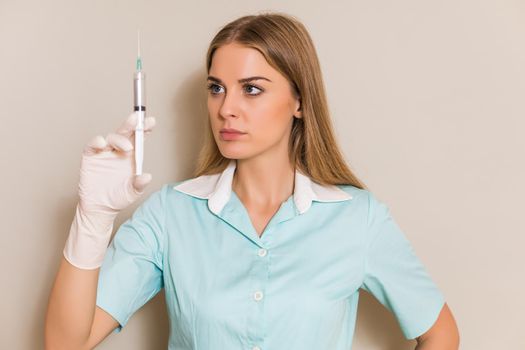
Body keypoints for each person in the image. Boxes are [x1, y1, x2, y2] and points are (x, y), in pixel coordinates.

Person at [45, 11, 460, 350]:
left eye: (252, 89)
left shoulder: (358, 219)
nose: (227, 108)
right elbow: (66, 344)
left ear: (299, 100)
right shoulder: (170, 215)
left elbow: (441, 333)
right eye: (217, 88)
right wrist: (92, 218)